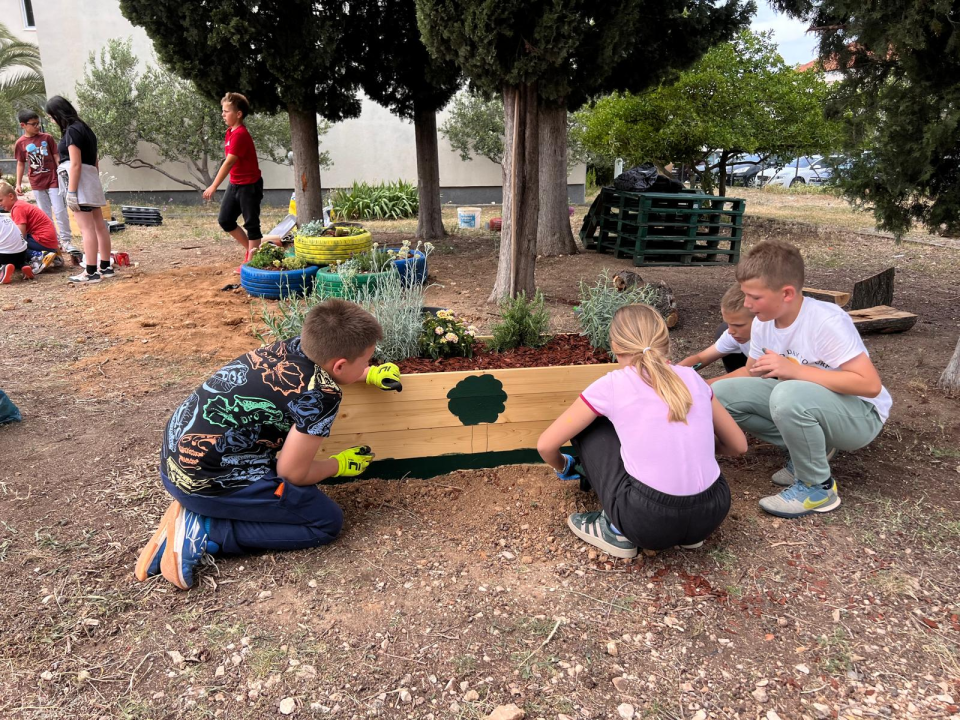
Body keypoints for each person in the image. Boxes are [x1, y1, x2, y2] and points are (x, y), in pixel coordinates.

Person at [134, 299, 403, 590]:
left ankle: (199, 510)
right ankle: (206, 529)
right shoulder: (322, 396)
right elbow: (292, 473)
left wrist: (365, 375)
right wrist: (337, 465)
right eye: (367, 361)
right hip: (206, 483)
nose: (370, 365)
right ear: (339, 365)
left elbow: (324, 373)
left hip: (175, 462)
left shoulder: (288, 347)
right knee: (325, 522)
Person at [537, 304, 747, 559]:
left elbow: (546, 445)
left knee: (587, 426)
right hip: (712, 512)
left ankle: (616, 530)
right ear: (665, 341)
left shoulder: (611, 385)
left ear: (614, 346)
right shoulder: (693, 379)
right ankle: (689, 536)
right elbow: (738, 446)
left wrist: (564, 466)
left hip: (647, 520)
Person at [712, 240, 891, 519]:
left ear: (786, 293)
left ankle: (817, 487)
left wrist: (795, 371)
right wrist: (700, 386)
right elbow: (751, 372)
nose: (747, 304)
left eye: (754, 297)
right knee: (722, 396)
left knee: (788, 393)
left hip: (861, 415)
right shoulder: (761, 322)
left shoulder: (825, 321)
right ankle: (809, 451)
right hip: (813, 404)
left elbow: (869, 385)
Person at [44, 96, 113, 284]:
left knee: (87, 228)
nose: (51, 120)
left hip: (79, 181)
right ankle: (105, 266)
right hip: (90, 179)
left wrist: (72, 192)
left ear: (57, 114)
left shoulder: (72, 131)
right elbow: (95, 161)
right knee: (99, 225)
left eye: (51, 116)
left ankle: (90, 272)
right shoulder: (85, 129)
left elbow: (75, 163)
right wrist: (93, 182)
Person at [202, 92, 264, 274]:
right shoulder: (230, 133)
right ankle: (252, 252)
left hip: (249, 185)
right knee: (225, 220)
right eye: (222, 111)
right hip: (235, 183)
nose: (223, 114)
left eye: (226, 111)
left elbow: (229, 162)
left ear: (239, 114)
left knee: (251, 224)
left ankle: (251, 264)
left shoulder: (241, 135)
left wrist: (213, 186)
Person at [13, 109, 75, 255]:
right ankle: (55, 241)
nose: (37, 126)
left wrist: (62, 172)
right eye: (33, 124)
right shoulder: (20, 143)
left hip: (53, 179)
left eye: (38, 123)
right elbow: (20, 163)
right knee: (45, 214)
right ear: (23, 125)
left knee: (60, 210)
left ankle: (66, 241)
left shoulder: (47, 138)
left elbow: (56, 156)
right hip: (36, 182)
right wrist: (18, 183)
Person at [678, 284, 754, 381]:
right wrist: (674, 371)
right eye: (728, 324)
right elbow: (702, 358)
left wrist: (702, 386)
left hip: (774, 381)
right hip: (754, 371)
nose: (730, 331)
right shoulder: (735, 333)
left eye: (738, 325)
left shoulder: (768, 337)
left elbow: (750, 373)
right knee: (722, 331)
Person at [0, 181, 57, 275]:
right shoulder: (20, 205)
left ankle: (39, 257)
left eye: (0, 200)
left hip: (42, 240)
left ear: (11, 196)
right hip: (50, 242)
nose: (0, 204)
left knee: (15, 247)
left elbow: (19, 235)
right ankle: (52, 255)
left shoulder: (18, 208)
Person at [0, 211, 33, 283]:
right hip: (22, 253)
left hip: (5, 255)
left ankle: (4, 268)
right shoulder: (5, 217)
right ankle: (23, 265)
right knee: (16, 259)